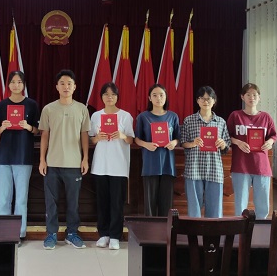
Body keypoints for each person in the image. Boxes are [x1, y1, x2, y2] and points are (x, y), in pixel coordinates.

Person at [39, 69, 90, 249]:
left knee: (73, 203)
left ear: (74, 87)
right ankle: (51, 234)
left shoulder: (82, 109)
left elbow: (84, 135)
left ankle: (72, 233)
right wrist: (42, 160)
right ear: (57, 87)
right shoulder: (48, 109)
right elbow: (44, 135)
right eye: (62, 83)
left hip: (74, 164)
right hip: (52, 163)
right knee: (51, 203)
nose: (66, 86)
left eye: (69, 83)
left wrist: (85, 158)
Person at [0, 71, 40, 241]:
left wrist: (28, 127)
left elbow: (37, 130)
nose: (16, 85)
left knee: (20, 199)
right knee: (4, 198)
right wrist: (2, 128)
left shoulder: (32, 105)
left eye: (19, 82)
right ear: (8, 85)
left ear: (24, 84)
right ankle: (2, 233)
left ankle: (19, 233)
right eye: (12, 82)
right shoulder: (1, 106)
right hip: (4, 157)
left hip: (23, 156)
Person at [89, 82, 134, 250]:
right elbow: (91, 139)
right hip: (100, 165)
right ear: (101, 97)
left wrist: (122, 135)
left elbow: (131, 140)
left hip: (119, 165)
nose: (109, 97)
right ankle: (103, 234)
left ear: (117, 97)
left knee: (116, 202)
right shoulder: (96, 116)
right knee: (102, 202)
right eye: (106, 94)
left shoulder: (125, 116)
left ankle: (115, 236)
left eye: (113, 94)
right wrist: (97, 137)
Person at [226, 82, 277, 219]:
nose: (251, 98)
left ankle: (261, 228)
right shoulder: (235, 116)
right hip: (241, 165)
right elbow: (226, 136)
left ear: (259, 97)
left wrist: (270, 142)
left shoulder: (266, 117)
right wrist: (238, 142)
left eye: (254, 95)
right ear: (242, 97)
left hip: (261, 166)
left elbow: (273, 136)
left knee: (262, 204)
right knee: (240, 204)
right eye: (248, 95)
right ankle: (240, 229)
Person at [180, 86, 230, 218]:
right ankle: (194, 230)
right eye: (202, 98)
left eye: (209, 98)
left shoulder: (221, 122)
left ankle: (213, 231)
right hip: (194, 168)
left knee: (215, 210)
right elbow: (183, 143)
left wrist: (223, 144)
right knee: (194, 209)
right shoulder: (189, 120)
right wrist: (193, 143)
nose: (205, 101)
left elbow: (227, 145)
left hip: (214, 169)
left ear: (214, 101)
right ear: (197, 100)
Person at [134, 83, 180, 216]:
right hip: (150, 164)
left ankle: (166, 229)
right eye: (154, 95)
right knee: (150, 205)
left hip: (167, 165)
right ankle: (151, 229)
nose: (158, 98)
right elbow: (137, 139)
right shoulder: (143, 117)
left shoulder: (173, 116)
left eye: (161, 95)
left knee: (166, 205)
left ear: (166, 97)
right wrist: (146, 144)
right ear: (149, 98)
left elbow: (178, 138)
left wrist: (174, 142)